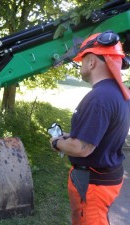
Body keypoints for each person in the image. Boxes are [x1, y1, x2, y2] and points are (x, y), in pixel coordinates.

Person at [49, 31, 130, 225]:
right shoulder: (118, 93)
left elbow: (82, 148)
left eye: (82, 60)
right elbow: (105, 133)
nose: (80, 65)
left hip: (93, 185)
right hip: (104, 179)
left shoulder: (99, 98)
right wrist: (72, 135)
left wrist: (57, 142)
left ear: (92, 62)